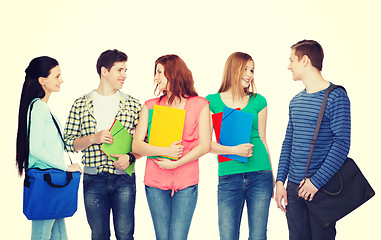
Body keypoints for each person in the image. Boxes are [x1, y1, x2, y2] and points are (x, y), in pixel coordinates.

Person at [275, 40, 351, 240]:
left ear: (305, 60)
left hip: (321, 189)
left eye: (292, 60)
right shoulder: (295, 101)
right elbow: (288, 142)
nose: (289, 66)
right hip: (293, 190)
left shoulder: (336, 96)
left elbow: (342, 144)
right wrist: (281, 181)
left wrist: (315, 182)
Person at [63, 49, 141, 240]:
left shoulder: (133, 104)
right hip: (93, 178)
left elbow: (145, 143)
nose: (124, 75)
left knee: (125, 235)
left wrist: (130, 158)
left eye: (125, 70)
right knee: (99, 235)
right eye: (119, 70)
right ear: (104, 71)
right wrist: (93, 138)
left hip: (124, 178)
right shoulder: (81, 104)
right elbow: (68, 143)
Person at [132, 54, 211, 240]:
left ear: (173, 73)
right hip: (155, 181)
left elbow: (205, 145)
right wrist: (164, 152)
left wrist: (175, 163)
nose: (155, 78)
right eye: (156, 72)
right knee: (162, 237)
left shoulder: (200, 104)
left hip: (186, 181)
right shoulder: (150, 106)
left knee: (178, 237)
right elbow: (136, 145)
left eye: (159, 72)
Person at [206, 52, 274, 240]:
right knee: (228, 236)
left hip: (260, 174)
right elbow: (204, 144)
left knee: (258, 236)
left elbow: (263, 139)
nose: (249, 74)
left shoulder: (258, 101)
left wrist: (273, 178)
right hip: (229, 176)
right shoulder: (212, 101)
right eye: (245, 69)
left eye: (252, 70)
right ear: (232, 69)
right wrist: (233, 151)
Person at [16, 56, 82, 240]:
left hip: (51, 182)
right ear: (42, 80)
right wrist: (66, 167)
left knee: (60, 236)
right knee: (42, 235)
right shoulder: (39, 108)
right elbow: (36, 149)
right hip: (47, 181)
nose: (61, 80)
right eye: (57, 76)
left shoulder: (41, 107)